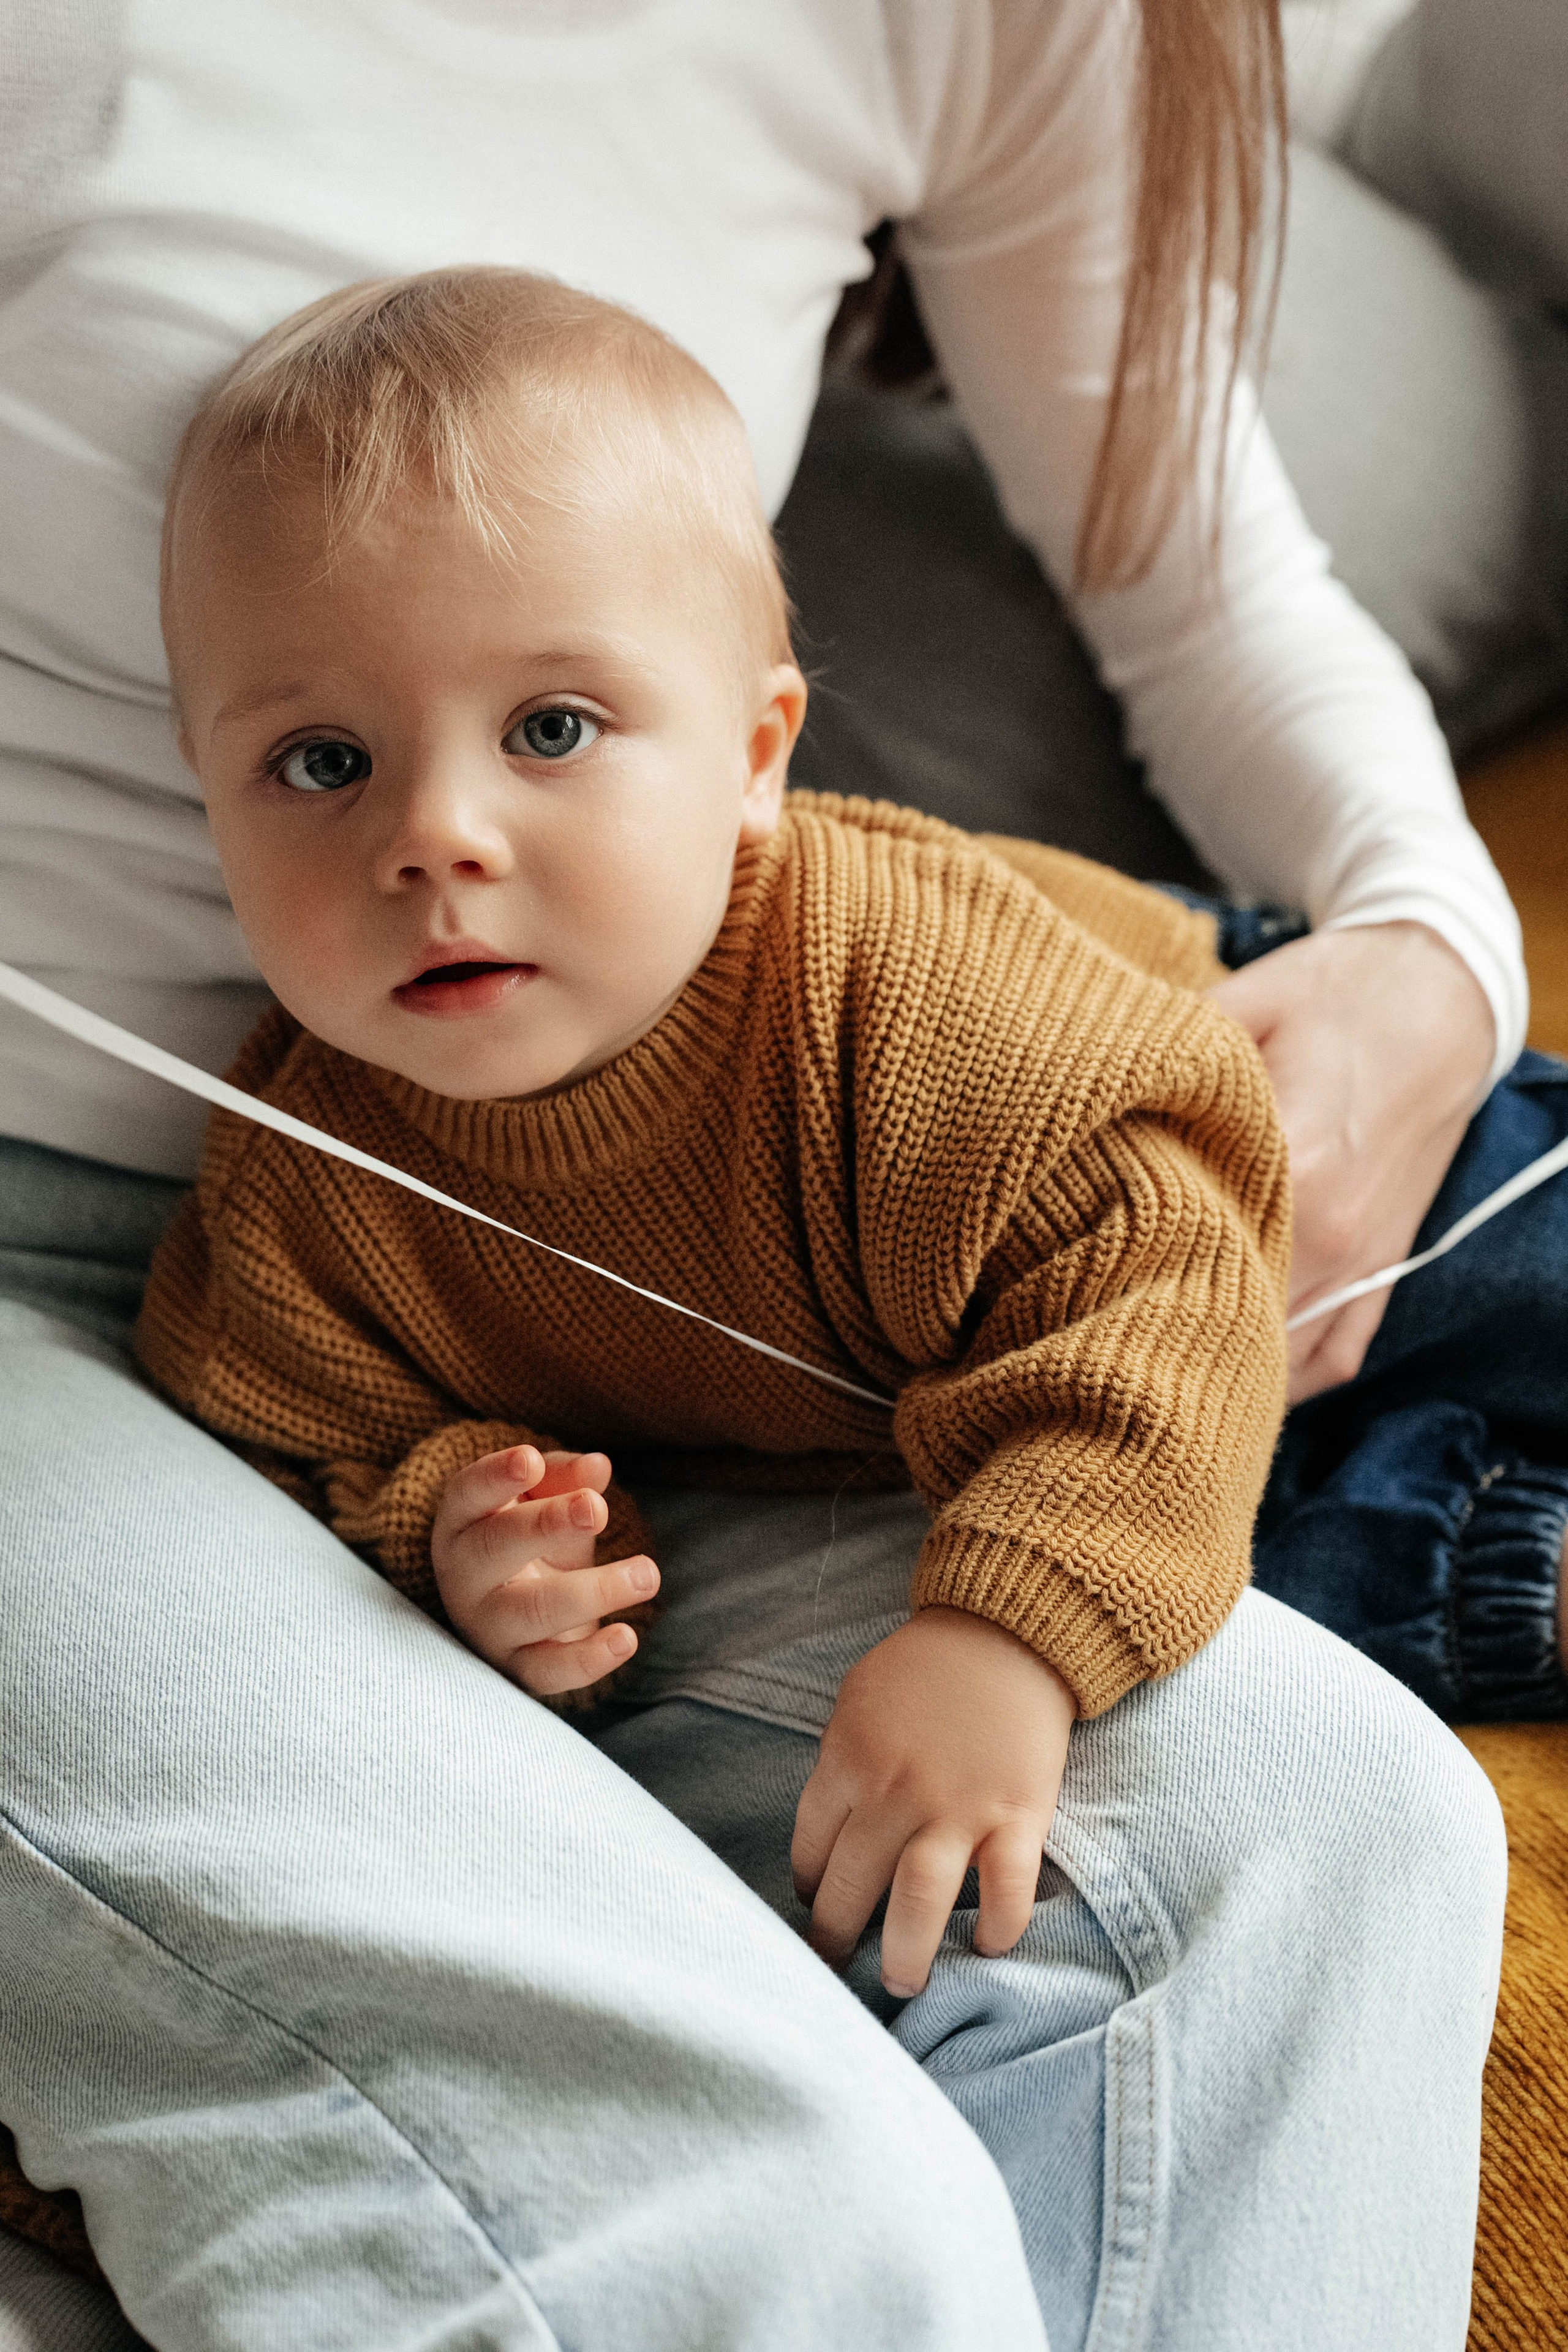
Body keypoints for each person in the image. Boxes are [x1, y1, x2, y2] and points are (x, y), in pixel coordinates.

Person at [0, 6, 1515, 2347]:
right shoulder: (304, 1187)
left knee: (1336, 1825)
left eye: (552, 730)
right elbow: (297, 1411)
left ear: (758, 756)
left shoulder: (899, 1009)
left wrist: (1437, 956)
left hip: (1042, 1114)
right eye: (315, 763)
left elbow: (1152, 1236)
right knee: (786, 2218)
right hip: (102, 1309)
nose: (433, 835)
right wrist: (452, 1535)